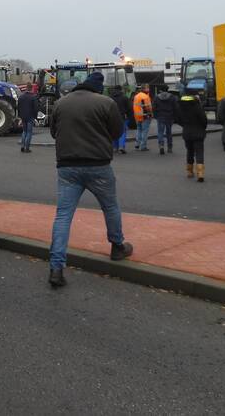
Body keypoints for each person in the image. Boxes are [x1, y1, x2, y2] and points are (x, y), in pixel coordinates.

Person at [47, 71, 133, 287]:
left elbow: (54, 132)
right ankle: (117, 247)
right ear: (99, 87)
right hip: (98, 166)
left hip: (67, 167)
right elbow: (117, 132)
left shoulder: (61, 103)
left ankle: (56, 268)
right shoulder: (106, 103)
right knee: (110, 207)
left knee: (63, 216)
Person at [177, 86, 208, 181]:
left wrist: (185, 125)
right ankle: (200, 173)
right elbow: (204, 120)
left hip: (187, 132)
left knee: (189, 151)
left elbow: (178, 119)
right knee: (199, 152)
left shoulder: (180, 106)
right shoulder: (197, 106)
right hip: (198, 132)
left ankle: (190, 171)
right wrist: (203, 127)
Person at [152, 89, 181, 155]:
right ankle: (169, 147)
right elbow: (176, 108)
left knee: (160, 132)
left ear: (161, 90)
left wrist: (156, 116)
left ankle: (161, 146)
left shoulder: (157, 97)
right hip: (169, 117)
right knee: (169, 132)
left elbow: (153, 108)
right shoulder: (172, 97)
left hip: (160, 117)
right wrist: (175, 116)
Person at [17, 87, 41, 153]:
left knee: (24, 131)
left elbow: (18, 107)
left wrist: (20, 117)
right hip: (30, 117)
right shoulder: (33, 97)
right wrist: (35, 117)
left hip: (23, 117)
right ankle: (27, 148)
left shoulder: (21, 97)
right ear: (31, 89)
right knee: (29, 132)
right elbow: (36, 108)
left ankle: (22, 146)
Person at [108, 85, 130, 154]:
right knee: (122, 132)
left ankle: (114, 147)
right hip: (122, 117)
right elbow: (129, 108)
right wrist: (128, 116)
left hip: (111, 117)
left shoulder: (109, 97)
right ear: (121, 90)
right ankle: (121, 147)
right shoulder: (124, 97)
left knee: (113, 132)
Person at [132, 84, 153, 151]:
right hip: (145, 116)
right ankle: (143, 146)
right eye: (148, 88)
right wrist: (151, 114)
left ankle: (137, 144)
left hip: (137, 116)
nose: (149, 89)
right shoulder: (146, 97)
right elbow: (148, 108)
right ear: (145, 89)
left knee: (139, 130)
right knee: (144, 131)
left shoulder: (136, 96)